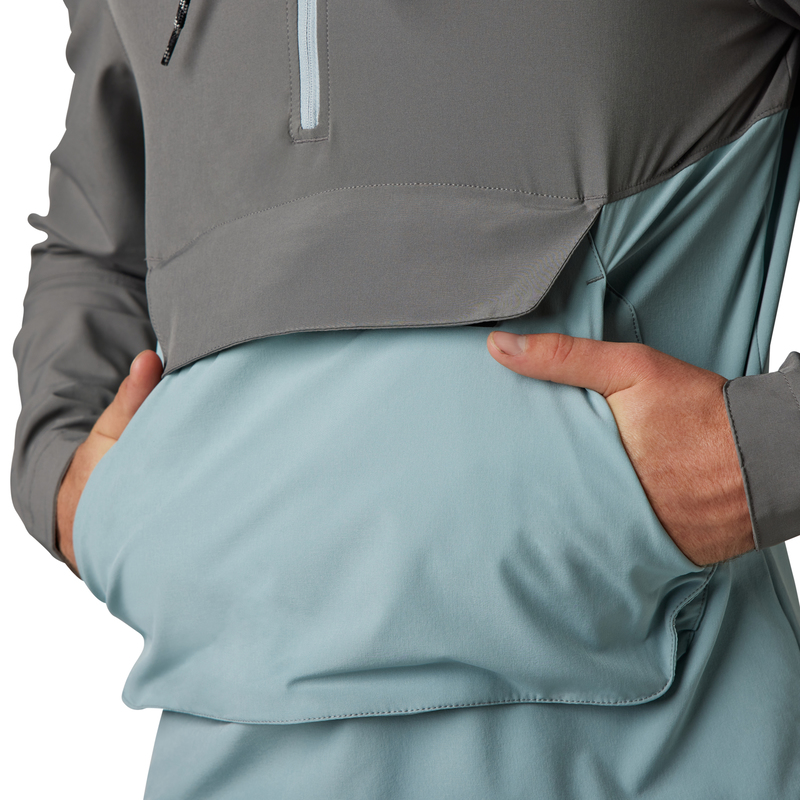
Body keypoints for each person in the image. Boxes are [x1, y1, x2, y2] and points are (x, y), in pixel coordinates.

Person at [11, 0, 800, 796]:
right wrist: (70, 482)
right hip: (230, 733)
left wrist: (760, 452)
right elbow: (97, 243)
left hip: (653, 739)